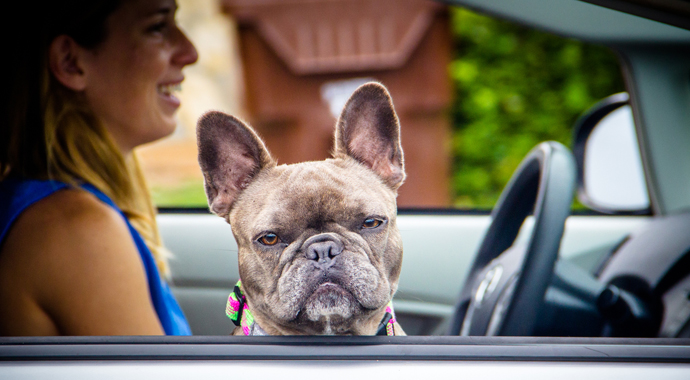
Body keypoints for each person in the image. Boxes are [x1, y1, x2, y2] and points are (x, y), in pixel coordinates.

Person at [0, 0, 198, 335]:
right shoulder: (76, 230)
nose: (189, 51)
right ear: (71, 62)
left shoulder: (41, 205)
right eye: (156, 27)